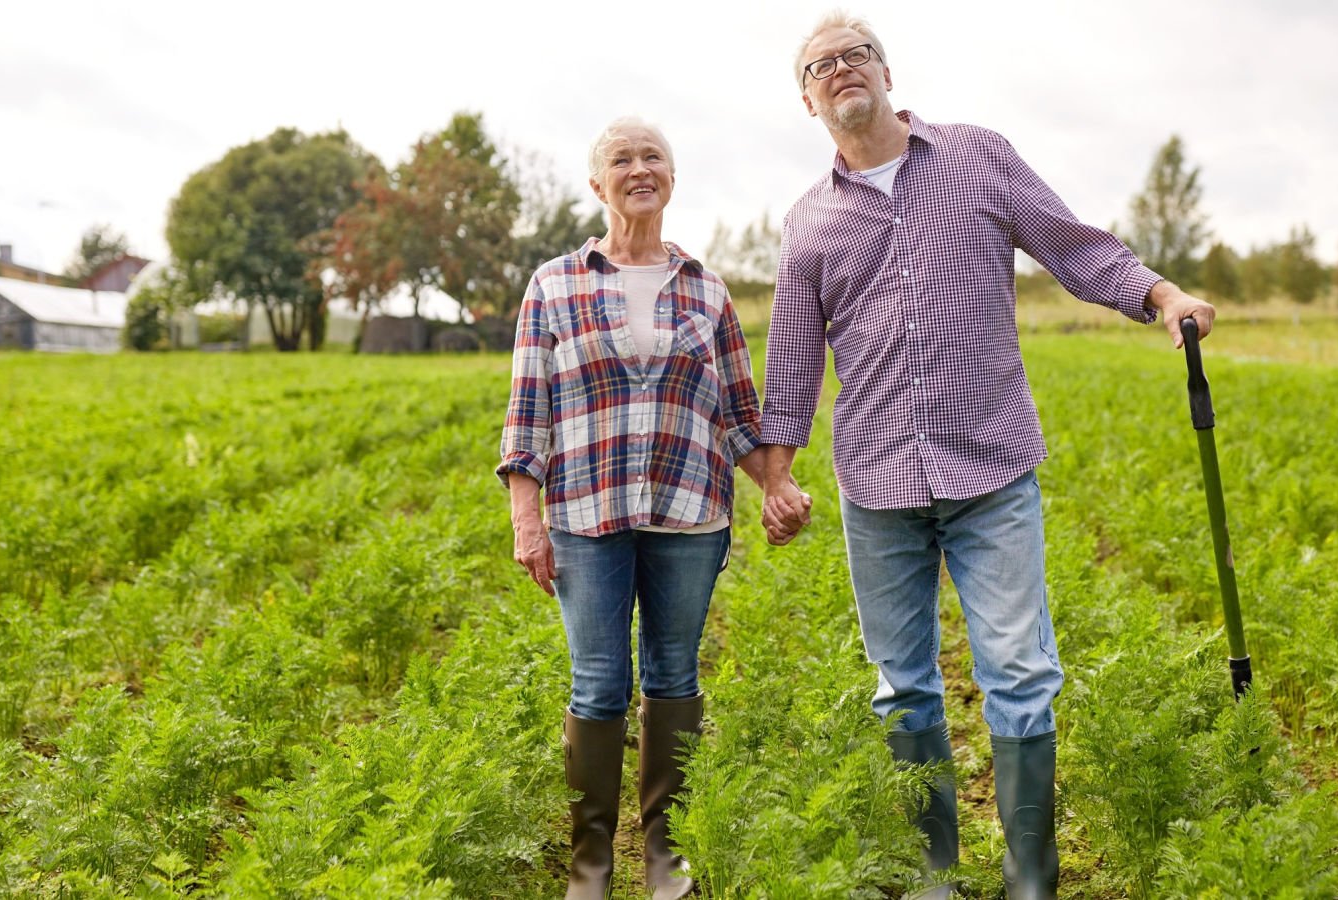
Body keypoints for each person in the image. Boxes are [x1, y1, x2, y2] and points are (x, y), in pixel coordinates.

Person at [756, 12, 1217, 899]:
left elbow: (1071, 245)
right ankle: (936, 878)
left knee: (1017, 674)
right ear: (806, 100)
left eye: (857, 56)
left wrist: (1158, 293)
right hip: (878, 480)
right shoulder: (808, 222)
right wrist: (776, 473)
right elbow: (792, 357)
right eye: (821, 66)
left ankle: (1030, 881)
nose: (842, 70)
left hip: (990, 470)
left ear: (887, 74)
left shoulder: (977, 156)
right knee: (902, 689)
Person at [499, 117, 803, 900]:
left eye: (654, 157)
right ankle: (591, 863)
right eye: (622, 159)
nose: (640, 169)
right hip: (585, 513)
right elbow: (528, 410)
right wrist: (525, 520)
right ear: (597, 184)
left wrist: (776, 484)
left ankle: (667, 854)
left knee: (672, 675)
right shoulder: (554, 284)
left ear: (672, 178)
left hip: (688, 511)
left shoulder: (706, 288)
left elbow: (739, 410)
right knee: (598, 683)